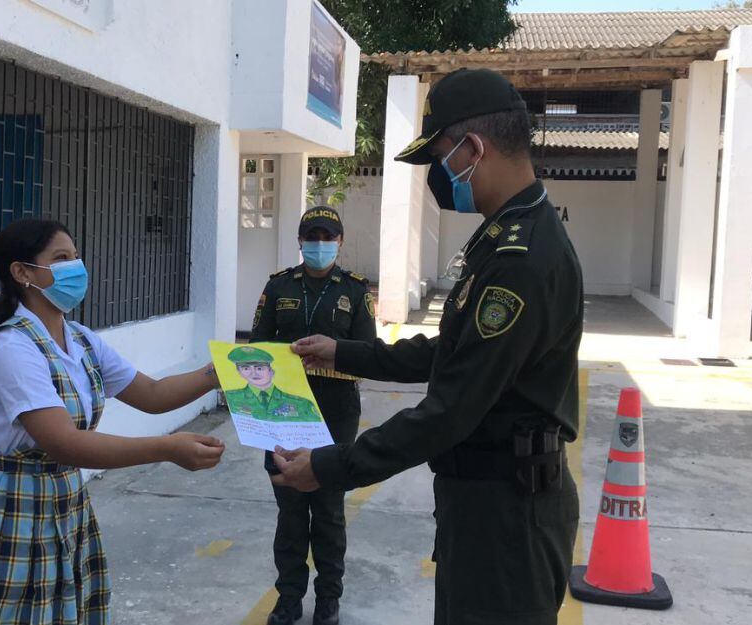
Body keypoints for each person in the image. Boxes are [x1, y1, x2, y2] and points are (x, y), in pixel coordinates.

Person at [273, 68, 584, 625]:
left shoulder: (523, 261)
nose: (436, 177)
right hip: (482, 500)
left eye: (438, 158)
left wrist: (331, 467)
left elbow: (450, 410)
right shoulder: (502, 234)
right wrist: (343, 352)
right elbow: (449, 352)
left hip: (507, 516)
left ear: (472, 148)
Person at [0, 218, 225, 625]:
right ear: (22, 273)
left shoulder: (81, 340)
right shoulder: (12, 346)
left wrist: (226, 371)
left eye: (76, 256)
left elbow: (153, 395)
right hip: (17, 508)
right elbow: (64, 443)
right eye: (61, 258)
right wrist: (166, 448)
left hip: (66, 504)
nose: (77, 268)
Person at [249, 206, 376, 625]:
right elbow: (257, 346)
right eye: (312, 236)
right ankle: (288, 599)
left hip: (336, 412)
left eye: (327, 237)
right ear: (300, 241)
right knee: (289, 510)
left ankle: (328, 599)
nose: (319, 244)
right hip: (282, 410)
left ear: (339, 242)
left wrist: (325, 361)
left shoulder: (355, 292)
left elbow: (369, 357)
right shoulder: (279, 285)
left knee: (327, 509)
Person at [224, 346, 321, 422]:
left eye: (259, 368)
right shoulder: (232, 397)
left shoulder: (302, 404)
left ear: (271, 371)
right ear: (239, 372)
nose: (253, 373)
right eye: (246, 368)